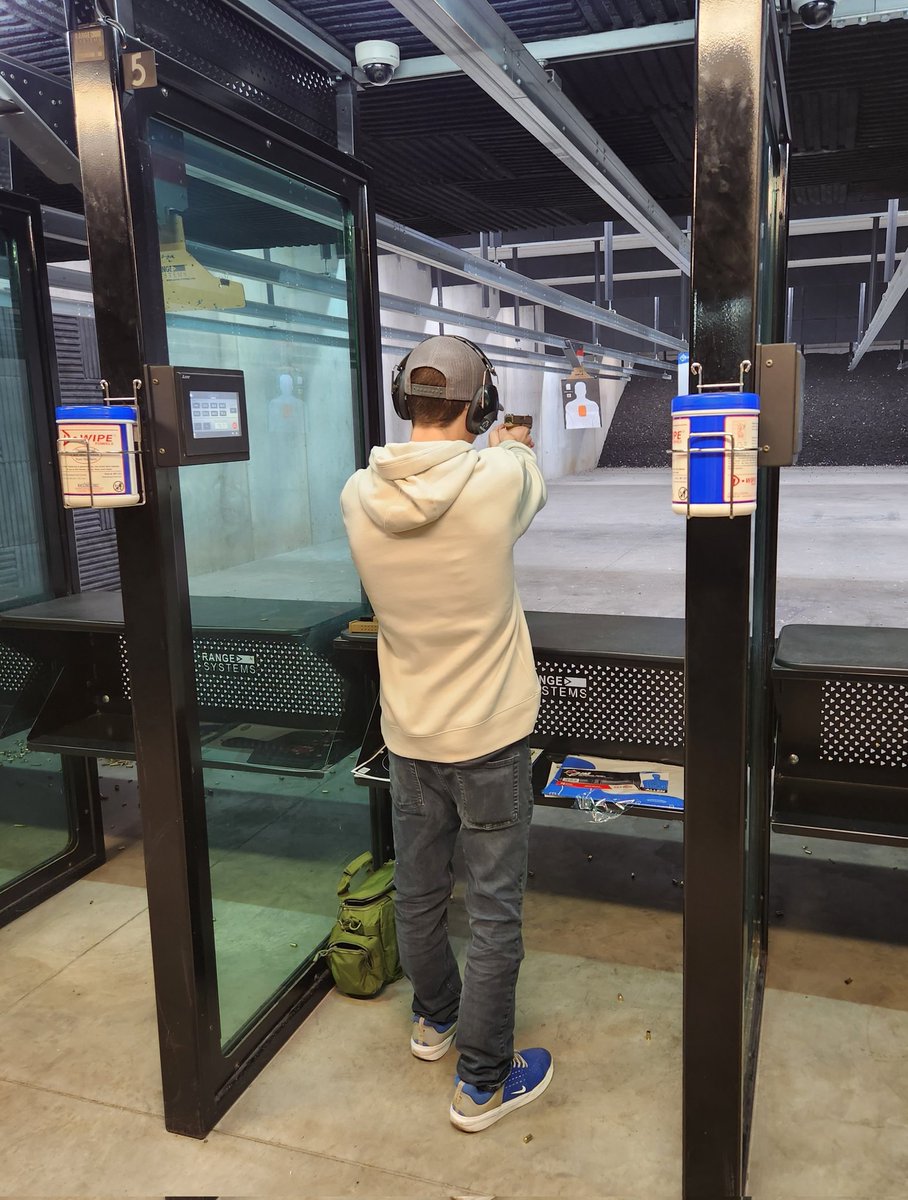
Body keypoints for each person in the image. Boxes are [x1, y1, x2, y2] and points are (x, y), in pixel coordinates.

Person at [341, 335, 552, 1132]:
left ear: (405, 401)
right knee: (494, 911)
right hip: (491, 737)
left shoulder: (356, 494)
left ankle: (435, 1019)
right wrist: (515, 443)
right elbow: (525, 476)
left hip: (409, 735)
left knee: (422, 890)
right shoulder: (500, 476)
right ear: (482, 405)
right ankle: (484, 1081)